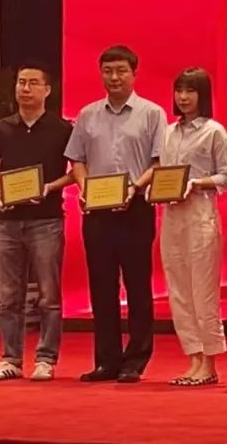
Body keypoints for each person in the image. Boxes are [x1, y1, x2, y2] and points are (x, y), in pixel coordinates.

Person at [65, 45, 167, 383]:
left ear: (134, 74)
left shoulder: (151, 113)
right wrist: (84, 189)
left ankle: (135, 359)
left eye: (121, 70)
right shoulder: (87, 115)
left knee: (137, 286)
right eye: (108, 71)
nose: (114, 77)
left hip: (136, 207)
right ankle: (106, 360)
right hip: (97, 210)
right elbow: (77, 160)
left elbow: (158, 162)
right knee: (101, 286)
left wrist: (134, 188)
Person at [0, 62, 74, 382]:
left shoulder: (62, 129)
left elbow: (75, 172)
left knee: (49, 296)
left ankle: (46, 359)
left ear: (47, 90)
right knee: (9, 296)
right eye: (21, 82)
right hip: (7, 222)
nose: (25, 88)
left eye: (33, 83)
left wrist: (49, 187)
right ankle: (10, 359)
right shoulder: (3, 127)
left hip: (46, 221)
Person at [156, 68, 227, 387]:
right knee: (178, 290)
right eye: (179, 90)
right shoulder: (168, 132)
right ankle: (194, 357)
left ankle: (210, 362)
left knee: (203, 291)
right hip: (172, 216)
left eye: (190, 91)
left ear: (203, 95)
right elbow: (162, 172)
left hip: (200, 214)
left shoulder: (214, 131)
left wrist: (196, 183)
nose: (183, 97)